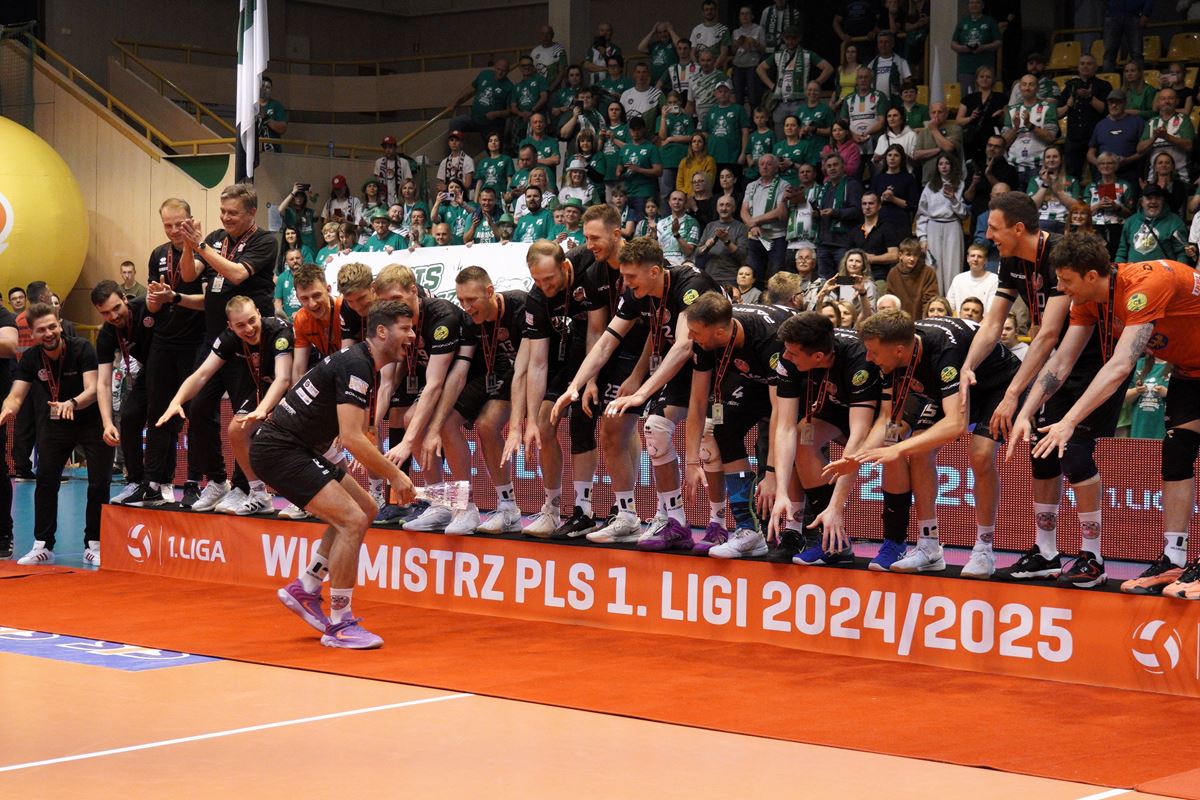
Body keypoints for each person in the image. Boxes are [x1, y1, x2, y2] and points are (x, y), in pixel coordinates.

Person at [1017, 235, 1200, 596]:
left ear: (1090, 276)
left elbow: (1119, 366)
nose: (1060, 288)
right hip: (1190, 370)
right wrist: (1025, 410)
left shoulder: (1145, 286)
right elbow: (1062, 360)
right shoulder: (1088, 301)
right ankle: (1174, 560)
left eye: (1066, 280)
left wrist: (1070, 421)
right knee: (1177, 453)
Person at [957, 195, 1119, 587]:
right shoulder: (1011, 259)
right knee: (1042, 453)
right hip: (1055, 365)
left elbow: (1047, 334)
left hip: (1092, 359)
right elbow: (993, 323)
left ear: (1017, 228)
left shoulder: (1058, 254)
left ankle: (1093, 557)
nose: (988, 235)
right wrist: (968, 365)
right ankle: (1046, 553)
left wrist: (1013, 393)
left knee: (1074, 452)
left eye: (994, 227)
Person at [264, 300, 417, 650]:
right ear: (382, 332)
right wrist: (396, 475)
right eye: (405, 329)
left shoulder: (362, 363)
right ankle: (340, 624)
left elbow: (353, 434)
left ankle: (306, 586)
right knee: (351, 520)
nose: (411, 336)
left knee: (366, 508)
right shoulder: (357, 365)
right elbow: (351, 438)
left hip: (303, 447)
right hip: (281, 450)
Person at [824, 309, 1019, 577]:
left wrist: (896, 448)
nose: (868, 358)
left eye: (873, 352)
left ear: (899, 351)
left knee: (980, 454)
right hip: (945, 391)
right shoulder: (891, 358)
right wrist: (858, 458)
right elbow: (887, 419)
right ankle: (929, 547)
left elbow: (956, 424)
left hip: (996, 386)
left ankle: (984, 549)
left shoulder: (944, 353)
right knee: (918, 449)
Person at [556, 237, 719, 549]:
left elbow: (684, 345)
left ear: (654, 272)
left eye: (631, 276)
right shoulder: (638, 292)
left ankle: (719, 523)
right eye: (623, 276)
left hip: (715, 363)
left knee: (711, 437)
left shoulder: (691, 286)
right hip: (678, 363)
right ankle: (655, 519)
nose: (626, 283)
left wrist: (641, 392)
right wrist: (575, 386)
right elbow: (607, 341)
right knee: (643, 428)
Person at [178, 183, 277, 511]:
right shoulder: (217, 239)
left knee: (243, 418)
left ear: (251, 213)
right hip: (214, 337)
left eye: (233, 213)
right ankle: (218, 480)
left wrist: (201, 245)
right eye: (222, 211)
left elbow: (236, 274)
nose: (225, 217)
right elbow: (189, 275)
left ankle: (245, 487)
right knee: (198, 407)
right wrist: (189, 246)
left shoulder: (265, 241)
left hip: (247, 341)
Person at [683, 293, 797, 558]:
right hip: (753, 379)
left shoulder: (770, 338)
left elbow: (779, 411)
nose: (689, 337)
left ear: (720, 333)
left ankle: (801, 530)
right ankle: (748, 531)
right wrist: (691, 462)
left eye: (695, 332)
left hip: (794, 381)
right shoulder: (706, 339)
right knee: (723, 427)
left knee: (794, 439)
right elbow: (697, 402)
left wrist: (771, 474)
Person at [157, 295, 293, 516]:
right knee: (237, 430)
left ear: (259, 313)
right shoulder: (228, 338)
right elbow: (202, 374)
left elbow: (284, 379)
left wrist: (262, 409)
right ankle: (259, 495)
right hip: (269, 385)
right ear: (230, 326)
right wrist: (176, 401)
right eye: (240, 325)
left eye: (252, 320)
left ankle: (305, 500)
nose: (249, 329)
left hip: (297, 382)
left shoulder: (279, 332)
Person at [768, 311, 882, 564]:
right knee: (802, 436)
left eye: (792, 353)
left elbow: (859, 434)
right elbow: (785, 427)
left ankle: (905, 543)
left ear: (818, 357)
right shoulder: (788, 357)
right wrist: (781, 490)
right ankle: (833, 543)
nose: (785, 356)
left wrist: (837, 506)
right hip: (830, 409)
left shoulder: (859, 358)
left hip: (871, 420)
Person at [420, 268, 527, 534]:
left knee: (487, 425)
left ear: (490, 292)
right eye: (461, 300)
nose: (466, 307)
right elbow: (460, 370)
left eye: (471, 300)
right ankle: (459, 507)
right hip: (492, 375)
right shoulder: (467, 321)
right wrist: (434, 428)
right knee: (444, 423)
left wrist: (517, 425)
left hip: (527, 371)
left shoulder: (520, 305)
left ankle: (510, 508)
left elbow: (531, 364)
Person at [2, 303, 111, 566]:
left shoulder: (82, 348)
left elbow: (92, 389)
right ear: (33, 334)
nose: (48, 333)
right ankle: (43, 545)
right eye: (41, 330)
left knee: (99, 483)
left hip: (91, 421)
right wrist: (5, 411)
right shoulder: (31, 359)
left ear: (60, 325)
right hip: (55, 424)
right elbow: (16, 396)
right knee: (46, 481)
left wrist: (71, 403)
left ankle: (94, 543)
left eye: (52, 327)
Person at [93, 280, 157, 507]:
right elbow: (103, 382)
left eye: (116, 308)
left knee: (160, 422)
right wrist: (107, 423)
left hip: (173, 368)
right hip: (148, 373)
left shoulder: (147, 307)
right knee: (129, 418)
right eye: (105, 313)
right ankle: (135, 481)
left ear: (124, 298)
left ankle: (160, 483)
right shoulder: (106, 334)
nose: (113, 316)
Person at [757, 27, 833, 131]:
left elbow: (828, 68)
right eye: (787, 38)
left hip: (800, 102)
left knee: (799, 133)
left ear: (798, 39)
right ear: (784, 39)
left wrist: (814, 85)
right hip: (781, 101)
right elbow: (760, 69)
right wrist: (772, 86)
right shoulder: (778, 55)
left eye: (793, 38)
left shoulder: (807, 54)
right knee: (780, 135)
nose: (790, 41)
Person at [916, 153, 967, 292]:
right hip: (933, 226)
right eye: (941, 164)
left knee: (953, 265)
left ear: (952, 166)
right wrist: (922, 237)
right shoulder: (930, 186)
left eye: (947, 163)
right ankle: (935, 300)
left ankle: (952, 299)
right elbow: (922, 213)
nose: (944, 167)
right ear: (937, 167)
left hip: (953, 225)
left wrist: (953, 199)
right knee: (933, 265)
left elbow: (964, 213)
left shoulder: (960, 184)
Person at [1057, 54, 1113, 179]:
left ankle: (1106, 193)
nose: (1085, 66)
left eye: (1089, 64)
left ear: (1096, 67)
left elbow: (1106, 110)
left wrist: (1090, 97)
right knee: (1071, 177)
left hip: (1096, 138)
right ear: (1078, 67)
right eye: (1082, 64)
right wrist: (1068, 105)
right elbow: (1057, 113)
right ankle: (1073, 193)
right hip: (1074, 137)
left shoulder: (1104, 85)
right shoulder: (1070, 85)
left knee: (1102, 174)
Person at [1002, 76, 1059, 190]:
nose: (1027, 88)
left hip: (1039, 166)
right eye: (1024, 84)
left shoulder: (1048, 107)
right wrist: (1015, 128)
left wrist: (1030, 125)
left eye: (1031, 84)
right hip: (1014, 167)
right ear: (1020, 88)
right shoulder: (1011, 109)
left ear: (1037, 88)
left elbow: (1051, 138)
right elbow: (1004, 143)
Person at [741, 153, 789, 282]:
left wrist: (753, 221)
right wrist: (752, 226)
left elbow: (780, 212)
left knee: (776, 276)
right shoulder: (751, 186)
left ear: (776, 167)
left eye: (769, 164)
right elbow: (743, 211)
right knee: (755, 275)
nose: (765, 167)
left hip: (776, 237)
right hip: (755, 237)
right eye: (762, 164)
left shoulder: (784, 185)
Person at [1116, 184, 1192, 265]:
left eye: (1157, 198)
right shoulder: (1130, 222)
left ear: (1163, 201)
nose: (1153, 201)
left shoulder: (1175, 222)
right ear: (1142, 202)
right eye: (1149, 198)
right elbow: (1122, 252)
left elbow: (1182, 253)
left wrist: (1179, 271)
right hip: (1134, 272)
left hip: (1163, 272)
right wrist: (1118, 268)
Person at [815, 153, 863, 280]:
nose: (832, 168)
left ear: (843, 166)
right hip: (824, 242)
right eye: (829, 166)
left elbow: (857, 212)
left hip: (843, 243)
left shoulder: (852, 185)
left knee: (844, 279)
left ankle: (844, 294)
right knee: (825, 280)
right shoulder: (825, 188)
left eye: (835, 165)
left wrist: (835, 212)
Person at [1086, 90, 1145, 186]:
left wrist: (1127, 160)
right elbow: (1090, 153)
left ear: (1125, 103)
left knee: (1128, 196)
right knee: (1107, 196)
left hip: (1129, 174)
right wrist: (1102, 164)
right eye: (1111, 102)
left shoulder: (1137, 122)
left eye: (1118, 102)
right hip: (1105, 177)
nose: (1114, 105)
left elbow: (1144, 151)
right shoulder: (1100, 125)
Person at [450, 58, 513, 148]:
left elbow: (510, 111)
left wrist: (497, 113)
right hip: (474, 118)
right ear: (494, 67)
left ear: (508, 71)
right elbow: (470, 90)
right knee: (456, 122)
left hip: (491, 124)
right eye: (498, 69)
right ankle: (455, 151)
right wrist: (455, 102)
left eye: (503, 71)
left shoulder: (509, 87)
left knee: (493, 147)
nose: (500, 72)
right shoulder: (485, 74)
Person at [1136, 87, 1194, 183]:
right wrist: (1154, 138)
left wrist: (1166, 137)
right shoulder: (1152, 122)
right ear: (1158, 102)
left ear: (1177, 101)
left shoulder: (1184, 120)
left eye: (1170, 98)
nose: (1166, 101)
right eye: (1163, 98)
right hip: (1154, 179)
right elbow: (1139, 149)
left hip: (1180, 178)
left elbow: (1189, 146)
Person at [963, 134, 1020, 229]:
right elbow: (968, 198)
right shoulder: (975, 166)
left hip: (1001, 218)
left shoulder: (1010, 170)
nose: (992, 149)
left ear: (1003, 150)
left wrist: (989, 175)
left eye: (997, 147)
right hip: (977, 216)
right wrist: (974, 183)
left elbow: (1007, 196)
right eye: (990, 145)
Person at [849, 190, 903, 285]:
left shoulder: (887, 228)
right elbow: (848, 256)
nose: (867, 207)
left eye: (871, 203)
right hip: (856, 277)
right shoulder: (855, 231)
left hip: (879, 277)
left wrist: (872, 259)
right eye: (864, 204)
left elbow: (894, 255)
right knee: (838, 282)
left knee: (878, 287)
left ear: (879, 206)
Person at [956, 65, 1007, 165]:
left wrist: (1001, 114)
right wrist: (970, 118)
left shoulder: (1001, 98)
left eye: (988, 77)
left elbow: (1007, 120)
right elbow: (958, 120)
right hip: (972, 139)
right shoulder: (968, 98)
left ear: (993, 79)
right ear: (976, 79)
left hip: (992, 137)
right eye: (982, 76)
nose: (985, 79)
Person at [616, 116, 662, 220]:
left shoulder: (651, 148)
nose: (635, 132)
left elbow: (659, 171)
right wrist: (619, 172)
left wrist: (639, 169)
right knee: (626, 222)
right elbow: (618, 168)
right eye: (633, 130)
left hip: (644, 191)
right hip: (626, 192)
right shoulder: (625, 148)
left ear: (644, 129)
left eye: (638, 129)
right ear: (629, 130)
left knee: (641, 221)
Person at [704, 81, 749, 183]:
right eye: (720, 91)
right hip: (713, 157)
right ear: (715, 93)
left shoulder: (738, 109)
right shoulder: (711, 111)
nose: (723, 94)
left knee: (733, 185)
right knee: (716, 186)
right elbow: (705, 133)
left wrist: (743, 153)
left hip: (733, 157)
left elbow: (745, 132)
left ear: (730, 93)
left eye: (725, 91)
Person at [1028, 144, 1080, 235]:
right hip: (1042, 221)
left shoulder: (1072, 180)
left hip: (1064, 222)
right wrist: (1045, 184)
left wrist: (1056, 189)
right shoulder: (1035, 180)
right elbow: (1031, 207)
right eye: (1048, 157)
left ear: (1061, 159)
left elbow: (1075, 207)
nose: (1051, 160)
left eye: (1055, 157)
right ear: (1044, 160)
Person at [697, 195, 749, 285]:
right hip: (709, 277)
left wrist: (726, 241)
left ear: (734, 208)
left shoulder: (740, 227)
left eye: (728, 205)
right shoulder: (710, 226)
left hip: (730, 278)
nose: (724, 208)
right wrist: (707, 246)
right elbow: (697, 253)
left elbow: (742, 256)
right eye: (721, 205)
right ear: (717, 208)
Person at [950, 0, 1001, 90]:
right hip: (966, 67)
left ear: (982, 6)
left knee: (986, 94)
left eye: (977, 3)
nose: (974, 5)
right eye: (972, 3)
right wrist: (962, 48)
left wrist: (984, 47)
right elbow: (953, 43)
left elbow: (998, 42)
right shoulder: (963, 21)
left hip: (985, 66)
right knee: (967, 95)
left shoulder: (990, 21)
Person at [912, 102, 964, 185]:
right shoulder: (924, 132)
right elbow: (916, 155)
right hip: (928, 180)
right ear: (929, 114)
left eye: (940, 112)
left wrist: (934, 130)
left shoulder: (955, 129)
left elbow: (948, 148)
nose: (936, 115)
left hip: (951, 180)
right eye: (933, 112)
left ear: (946, 114)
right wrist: (939, 149)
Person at [885, 237, 939, 318]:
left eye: (915, 255)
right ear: (900, 255)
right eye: (908, 255)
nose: (912, 259)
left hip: (923, 319)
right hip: (899, 320)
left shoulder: (928, 272)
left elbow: (930, 300)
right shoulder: (893, 273)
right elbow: (890, 299)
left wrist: (925, 320)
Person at [870, 144, 918, 229]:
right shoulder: (878, 178)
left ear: (901, 159)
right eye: (889, 155)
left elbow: (912, 205)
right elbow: (870, 203)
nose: (892, 158)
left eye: (896, 155)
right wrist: (883, 198)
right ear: (886, 158)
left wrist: (893, 199)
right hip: (880, 221)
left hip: (900, 221)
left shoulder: (908, 178)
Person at [730, 5, 766, 111]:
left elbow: (764, 49)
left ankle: (754, 119)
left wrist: (755, 43)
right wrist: (737, 43)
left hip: (752, 65)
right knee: (738, 96)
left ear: (752, 16)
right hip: (738, 65)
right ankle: (740, 118)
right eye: (742, 14)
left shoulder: (758, 29)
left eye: (747, 13)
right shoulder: (736, 32)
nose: (744, 16)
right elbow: (733, 51)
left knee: (753, 96)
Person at [946, 242, 999, 313]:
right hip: (960, 319)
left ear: (985, 261)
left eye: (979, 256)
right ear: (967, 258)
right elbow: (949, 306)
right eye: (972, 256)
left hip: (984, 320)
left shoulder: (994, 279)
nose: (975, 259)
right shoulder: (958, 279)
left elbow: (991, 310)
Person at [1101, 0, 1153, 72]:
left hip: (1134, 15)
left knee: (1136, 52)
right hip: (1113, 14)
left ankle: (1139, 77)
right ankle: (1108, 77)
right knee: (1109, 52)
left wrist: (1146, 13)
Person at [657, 190, 701, 266]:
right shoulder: (661, 223)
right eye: (674, 199)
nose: (676, 202)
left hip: (683, 267)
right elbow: (659, 249)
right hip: (664, 267)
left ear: (685, 203)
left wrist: (676, 234)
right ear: (669, 202)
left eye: (680, 200)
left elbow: (688, 252)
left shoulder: (692, 222)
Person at [620, 62, 665, 133]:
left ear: (648, 74)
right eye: (638, 72)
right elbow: (620, 116)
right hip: (628, 135)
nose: (641, 75)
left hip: (648, 136)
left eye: (644, 72)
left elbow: (666, 114)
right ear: (634, 74)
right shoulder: (626, 94)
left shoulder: (657, 94)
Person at [691, 0, 732, 68]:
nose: (709, 12)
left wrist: (712, 69)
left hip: (716, 69)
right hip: (699, 70)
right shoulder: (696, 29)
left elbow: (724, 53)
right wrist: (698, 68)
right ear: (703, 12)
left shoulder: (723, 30)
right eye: (706, 9)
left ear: (715, 11)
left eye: (711, 9)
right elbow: (692, 53)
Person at [676, 132, 717, 200]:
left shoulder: (709, 160)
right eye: (694, 141)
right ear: (691, 144)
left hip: (702, 197)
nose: (696, 143)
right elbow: (679, 184)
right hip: (685, 197)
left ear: (704, 145)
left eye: (699, 141)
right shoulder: (684, 161)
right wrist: (686, 195)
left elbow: (709, 182)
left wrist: (694, 195)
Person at [638, 21, 682, 85]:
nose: (663, 34)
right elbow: (640, 48)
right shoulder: (655, 45)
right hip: (654, 84)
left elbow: (680, 45)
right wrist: (652, 31)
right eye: (659, 32)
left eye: (665, 31)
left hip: (670, 83)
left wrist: (671, 30)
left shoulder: (673, 44)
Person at [373, 136, 413, 206]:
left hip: (399, 197)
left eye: (390, 147)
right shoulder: (379, 162)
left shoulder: (403, 162)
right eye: (385, 147)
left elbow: (408, 181)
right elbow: (377, 181)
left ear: (395, 148)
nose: (387, 150)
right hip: (383, 199)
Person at [255, 75, 287, 154]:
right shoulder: (251, 105)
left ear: (271, 90)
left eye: (268, 87)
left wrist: (267, 119)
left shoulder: (277, 105)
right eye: (262, 86)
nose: (265, 89)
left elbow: (283, 128)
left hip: (273, 151)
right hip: (253, 150)